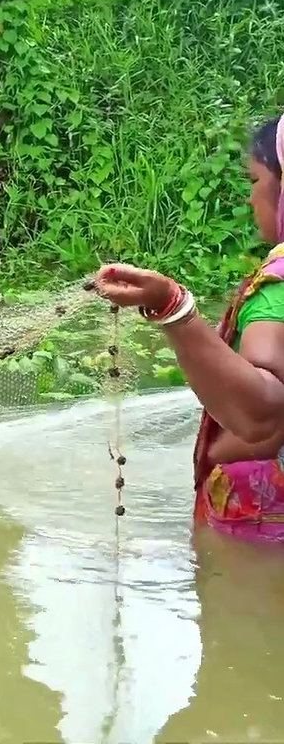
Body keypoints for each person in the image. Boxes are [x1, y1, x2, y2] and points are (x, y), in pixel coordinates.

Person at [94, 114, 284, 542]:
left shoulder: (278, 285)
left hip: (262, 526)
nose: (251, 199)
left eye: (255, 181)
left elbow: (263, 415)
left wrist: (172, 307)